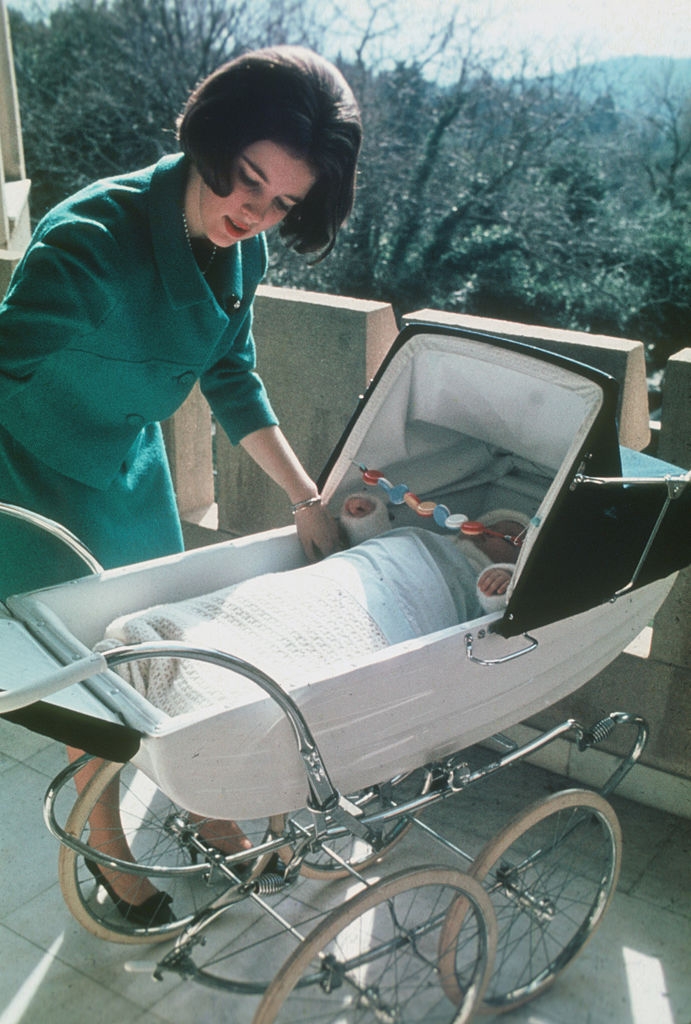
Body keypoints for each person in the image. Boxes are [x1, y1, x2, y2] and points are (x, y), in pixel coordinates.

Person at [0, 46, 362, 925]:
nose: (256, 213)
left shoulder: (242, 258)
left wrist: (307, 500)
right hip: (34, 482)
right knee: (91, 693)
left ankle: (203, 808)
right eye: (247, 182)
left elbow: (232, 379)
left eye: (283, 203)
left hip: (129, 470)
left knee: (164, 662)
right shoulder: (90, 240)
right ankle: (111, 857)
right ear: (211, 142)